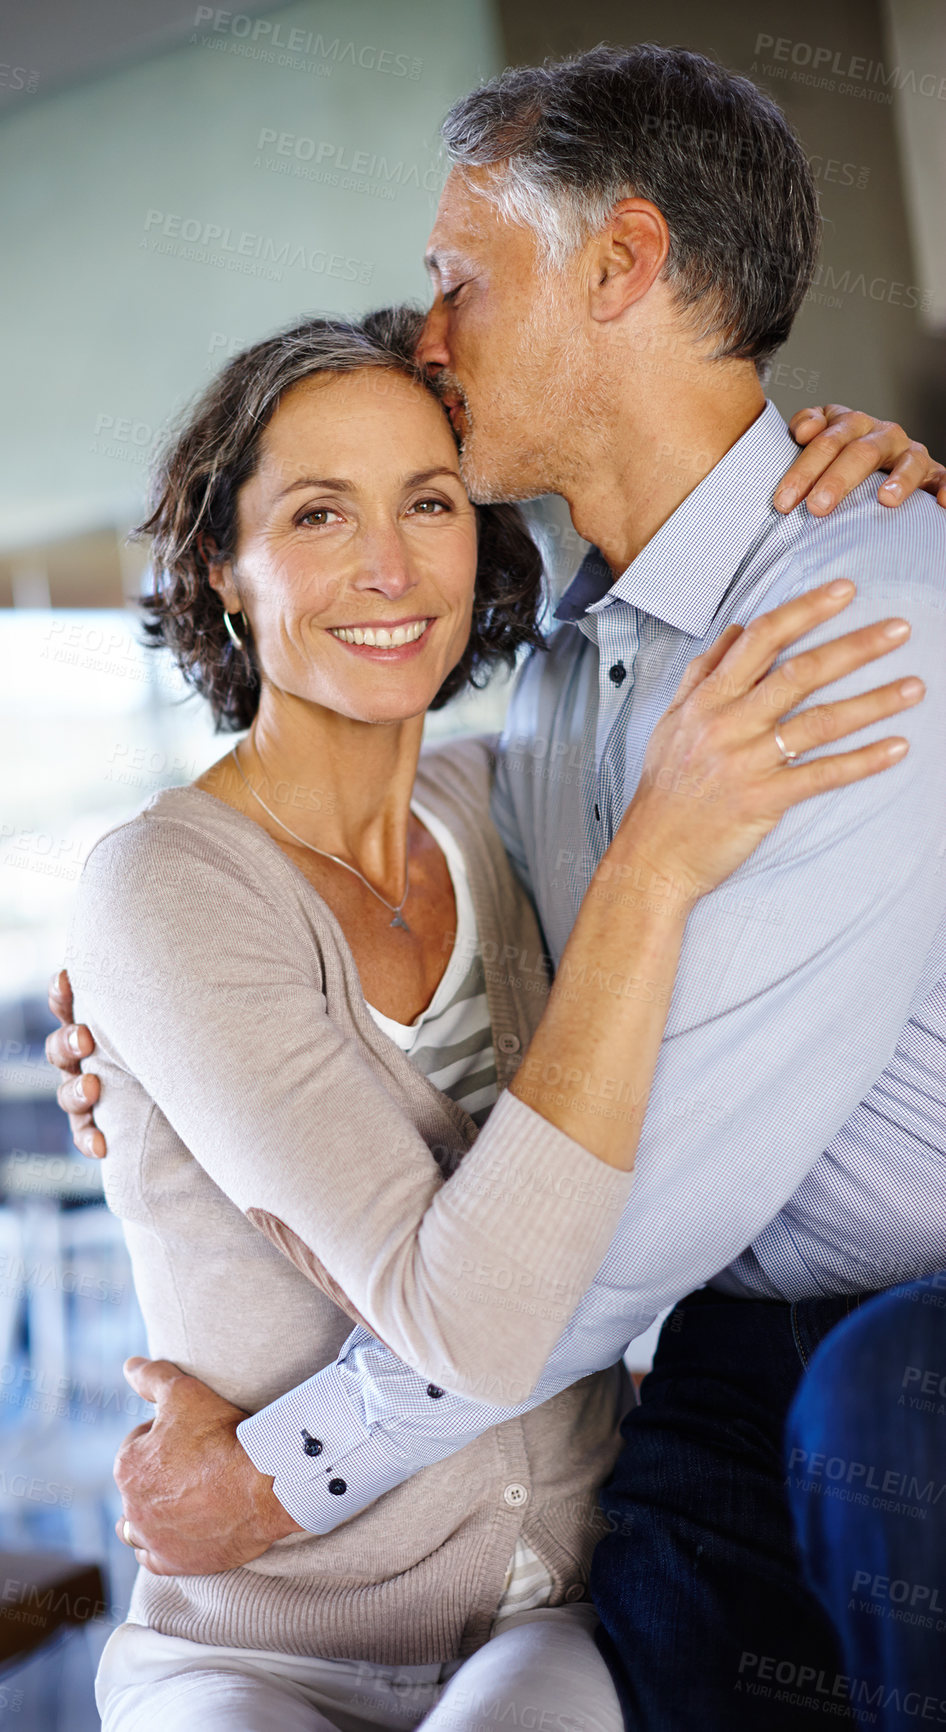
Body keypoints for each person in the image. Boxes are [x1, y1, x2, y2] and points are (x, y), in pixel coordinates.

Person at [51, 46, 946, 1732]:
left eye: (457, 279)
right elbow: (419, 993)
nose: (425, 334)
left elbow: (624, 1192)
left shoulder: (855, 618)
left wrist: (287, 1473)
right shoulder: (555, 684)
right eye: (316, 513)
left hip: (889, 1336)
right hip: (699, 1359)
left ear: (617, 264)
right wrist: (146, 1039)